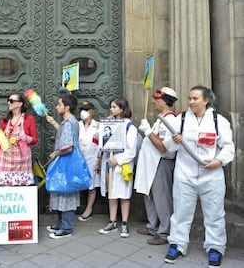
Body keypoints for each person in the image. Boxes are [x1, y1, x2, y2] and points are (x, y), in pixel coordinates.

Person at [162, 86, 235, 267]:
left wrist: (219, 161)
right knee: (181, 212)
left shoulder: (219, 121)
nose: (191, 102)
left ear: (206, 100)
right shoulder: (182, 119)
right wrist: (174, 139)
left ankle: (215, 248)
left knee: (214, 214)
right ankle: (178, 244)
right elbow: (168, 146)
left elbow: (228, 147)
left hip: (211, 176)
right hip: (184, 175)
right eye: (189, 98)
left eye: (195, 98)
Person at [134, 87, 178, 245]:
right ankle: (153, 226)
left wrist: (148, 132)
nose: (153, 101)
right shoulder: (160, 119)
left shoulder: (171, 120)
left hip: (161, 163)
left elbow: (163, 147)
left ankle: (165, 232)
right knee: (150, 195)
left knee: (162, 199)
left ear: (164, 101)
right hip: (151, 163)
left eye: (156, 99)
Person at [98, 97, 138, 238]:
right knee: (112, 194)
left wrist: (118, 160)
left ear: (122, 109)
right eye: (111, 106)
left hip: (122, 164)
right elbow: (102, 141)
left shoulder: (129, 127)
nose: (111, 109)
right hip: (109, 163)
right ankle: (112, 221)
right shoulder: (110, 124)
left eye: (114, 107)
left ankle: (125, 223)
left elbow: (131, 150)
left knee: (124, 195)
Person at [46, 93, 80, 238]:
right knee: (62, 192)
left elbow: (69, 147)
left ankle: (66, 228)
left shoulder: (69, 123)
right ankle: (61, 224)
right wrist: (54, 123)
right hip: (67, 162)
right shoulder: (70, 122)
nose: (57, 106)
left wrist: (56, 153)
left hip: (66, 162)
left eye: (59, 104)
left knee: (66, 194)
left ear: (67, 107)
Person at [0, 93, 38, 185]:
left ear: (20, 104)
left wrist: (26, 138)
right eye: (8, 100)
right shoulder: (4, 120)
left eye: (12, 101)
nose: (9, 103)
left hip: (22, 161)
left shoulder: (29, 119)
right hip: (5, 159)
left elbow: (35, 140)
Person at [77, 101, 101, 221]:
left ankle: (89, 208)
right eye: (82, 109)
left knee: (92, 185)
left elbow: (101, 144)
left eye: (86, 109)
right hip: (79, 158)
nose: (83, 112)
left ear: (92, 112)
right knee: (78, 182)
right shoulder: (77, 125)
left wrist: (100, 161)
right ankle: (75, 206)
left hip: (92, 159)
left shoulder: (98, 126)